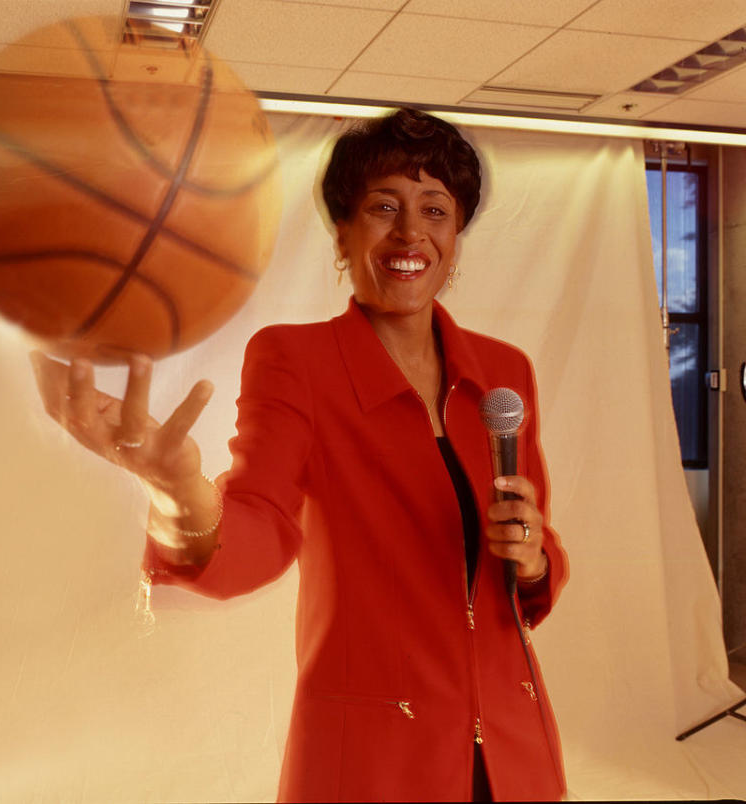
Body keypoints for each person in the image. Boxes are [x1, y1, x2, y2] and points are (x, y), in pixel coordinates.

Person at [31, 108, 569, 802]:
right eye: (384, 206)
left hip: (512, 750)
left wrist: (532, 557)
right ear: (342, 232)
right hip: (374, 758)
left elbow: (533, 560)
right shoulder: (299, 360)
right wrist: (181, 495)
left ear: (456, 236)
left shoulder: (504, 373)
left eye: (435, 210)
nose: (411, 233)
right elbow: (260, 529)